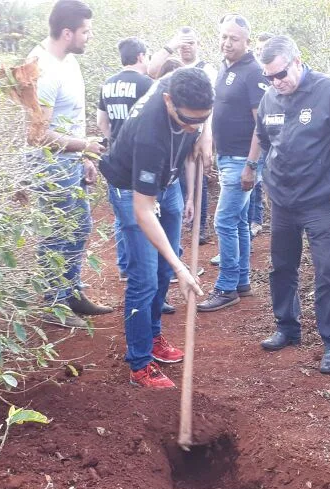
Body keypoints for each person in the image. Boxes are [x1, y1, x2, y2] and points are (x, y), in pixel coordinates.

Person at [255, 35, 330, 374]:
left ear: (297, 60)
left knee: (325, 272)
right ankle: (287, 327)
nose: (277, 82)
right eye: (270, 77)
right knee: (281, 267)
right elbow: (265, 141)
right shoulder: (269, 100)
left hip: (319, 201)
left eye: (281, 74)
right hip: (282, 201)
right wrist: (267, 179)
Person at [98, 67, 211, 388]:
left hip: (168, 179)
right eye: (188, 120)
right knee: (145, 277)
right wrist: (181, 267)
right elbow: (144, 211)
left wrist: (206, 133)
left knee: (162, 271)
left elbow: (200, 101)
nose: (193, 126)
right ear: (168, 101)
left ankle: (154, 336)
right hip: (131, 187)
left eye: (201, 119)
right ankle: (139, 362)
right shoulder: (151, 135)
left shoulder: (184, 84)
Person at [26, 0, 111, 329]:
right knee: (56, 234)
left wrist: (85, 156)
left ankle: (71, 292)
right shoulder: (42, 70)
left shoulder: (69, 61)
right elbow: (36, 135)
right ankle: (54, 303)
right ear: (66, 33)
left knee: (80, 227)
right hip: (50, 167)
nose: (89, 37)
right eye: (85, 32)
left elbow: (69, 120)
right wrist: (85, 145)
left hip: (70, 161)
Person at [196, 14, 267, 313]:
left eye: (234, 38)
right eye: (224, 37)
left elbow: (261, 125)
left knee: (223, 221)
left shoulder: (253, 72)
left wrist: (251, 165)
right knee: (236, 221)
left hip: (242, 159)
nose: (227, 43)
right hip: (227, 156)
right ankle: (241, 282)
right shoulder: (226, 69)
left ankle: (226, 287)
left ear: (247, 41)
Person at [149, 27, 216, 243]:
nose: (187, 48)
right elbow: (152, 71)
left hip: (196, 132)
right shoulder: (170, 68)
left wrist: (206, 134)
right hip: (171, 135)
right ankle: (174, 226)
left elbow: (212, 105)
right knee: (177, 179)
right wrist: (171, 45)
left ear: (198, 45)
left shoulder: (208, 69)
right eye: (183, 44)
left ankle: (200, 226)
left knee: (198, 182)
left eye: (191, 43)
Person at [97, 37, 153, 281]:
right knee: (142, 217)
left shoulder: (107, 84)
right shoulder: (147, 84)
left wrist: (115, 141)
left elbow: (102, 122)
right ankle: (140, 269)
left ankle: (124, 266)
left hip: (116, 160)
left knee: (122, 217)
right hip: (139, 160)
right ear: (141, 56)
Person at [248, 31, 273, 239]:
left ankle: (257, 219)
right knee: (255, 180)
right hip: (255, 137)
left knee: (260, 177)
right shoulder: (255, 72)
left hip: (269, 136)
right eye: (258, 48)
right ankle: (255, 219)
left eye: (263, 48)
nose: (259, 52)